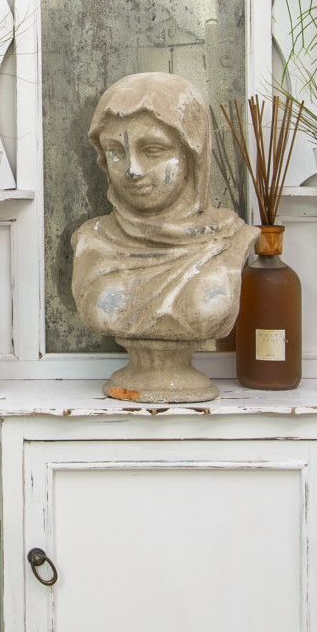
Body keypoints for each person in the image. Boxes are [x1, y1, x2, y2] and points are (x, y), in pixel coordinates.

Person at [70, 71, 256, 402]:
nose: (132, 170)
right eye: (115, 151)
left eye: (153, 149)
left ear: (192, 154)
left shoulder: (230, 240)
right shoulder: (91, 242)